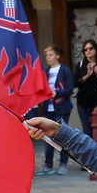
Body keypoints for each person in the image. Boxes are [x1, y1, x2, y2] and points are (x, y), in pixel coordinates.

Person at [34, 45, 74, 176]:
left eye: (51, 55)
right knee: (47, 137)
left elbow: (69, 90)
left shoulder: (65, 70)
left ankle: (63, 164)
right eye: (46, 55)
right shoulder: (44, 72)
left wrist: (56, 93)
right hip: (48, 108)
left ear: (57, 56)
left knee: (62, 136)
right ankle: (48, 165)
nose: (48, 58)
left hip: (62, 107)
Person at [74, 39, 97, 144]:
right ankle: (90, 157)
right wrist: (87, 75)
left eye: (90, 48)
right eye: (85, 49)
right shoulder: (80, 65)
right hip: (83, 103)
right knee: (87, 131)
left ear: (96, 49)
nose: (88, 51)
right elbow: (75, 83)